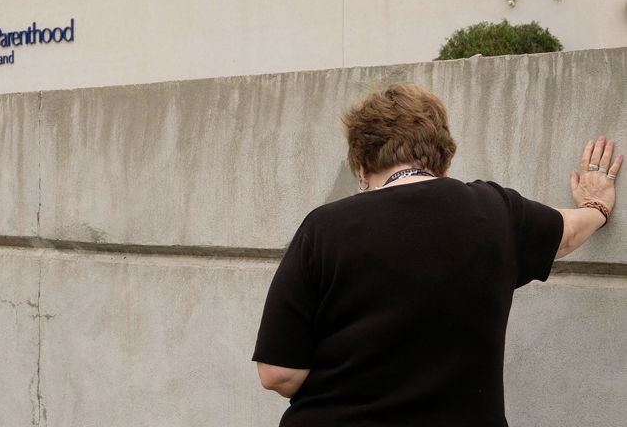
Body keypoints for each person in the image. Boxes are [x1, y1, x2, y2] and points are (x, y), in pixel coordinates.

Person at [251, 83, 622, 426]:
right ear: (443, 165)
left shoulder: (324, 228)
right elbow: (568, 232)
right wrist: (597, 204)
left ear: (363, 169)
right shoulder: (497, 211)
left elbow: (278, 373)